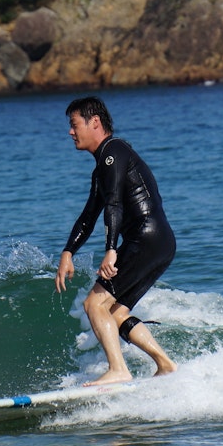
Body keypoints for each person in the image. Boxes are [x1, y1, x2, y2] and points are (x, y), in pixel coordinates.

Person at [55, 96, 177, 387]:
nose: (70, 132)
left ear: (94, 122)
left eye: (74, 125)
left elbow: (114, 204)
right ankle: (165, 364)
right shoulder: (104, 167)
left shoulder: (114, 151)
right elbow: (89, 215)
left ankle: (118, 369)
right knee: (116, 312)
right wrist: (68, 251)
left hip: (145, 239)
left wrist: (111, 250)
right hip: (160, 242)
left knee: (94, 304)